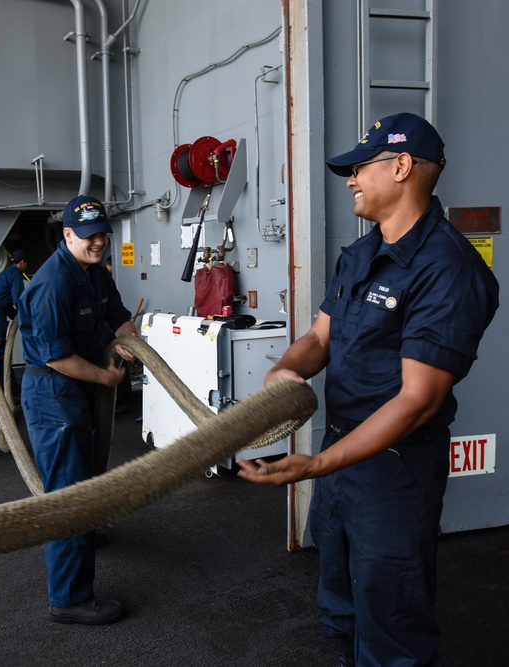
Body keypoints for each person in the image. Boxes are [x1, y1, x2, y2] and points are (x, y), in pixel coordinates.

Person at [237, 113, 499, 666]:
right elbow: (318, 337)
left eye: (360, 167)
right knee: (341, 595)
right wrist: (285, 371)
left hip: (394, 468)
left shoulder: (449, 269)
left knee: (391, 616)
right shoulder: (359, 254)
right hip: (341, 455)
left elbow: (417, 400)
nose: (351, 179)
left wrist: (315, 466)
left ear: (402, 166)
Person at [17, 195, 138, 625]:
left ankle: (84, 532)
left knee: (83, 478)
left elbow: (119, 317)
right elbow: (56, 358)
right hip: (53, 393)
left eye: (103, 234)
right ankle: (68, 598)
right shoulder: (53, 283)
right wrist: (107, 379)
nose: (99, 242)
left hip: (76, 389)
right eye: (88, 237)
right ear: (67, 235)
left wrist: (131, 339)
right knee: (69, 495)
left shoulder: (94, 273)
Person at [0, 249, 29, 390]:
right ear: (22, 262)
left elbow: (7, 300)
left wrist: (16, 317)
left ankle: (12, 386)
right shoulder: (16, 274)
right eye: (26, 263)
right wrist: (28, 318)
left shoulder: (7, 272)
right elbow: (19, 299)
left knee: (3, 350)